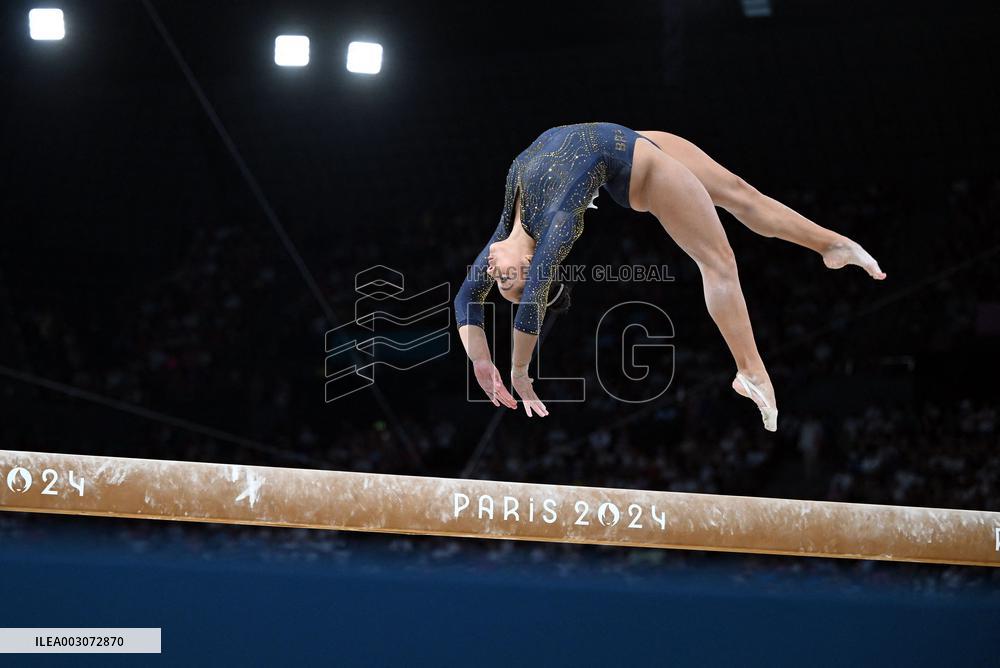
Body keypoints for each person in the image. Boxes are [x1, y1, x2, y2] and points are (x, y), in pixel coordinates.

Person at [454, 122, 885, 431]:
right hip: (645, 173)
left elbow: (466, 299)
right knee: (719, 262)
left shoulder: (509, 225)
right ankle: (750, 369)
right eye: (506, 283)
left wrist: (484, 361)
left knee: (740, 193)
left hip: (632, 139)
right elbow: (530, 300)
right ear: (529, 268)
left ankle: (831, 245)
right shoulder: (557, 226)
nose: (492, 273)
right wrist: (520, 371)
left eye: (500, 282)